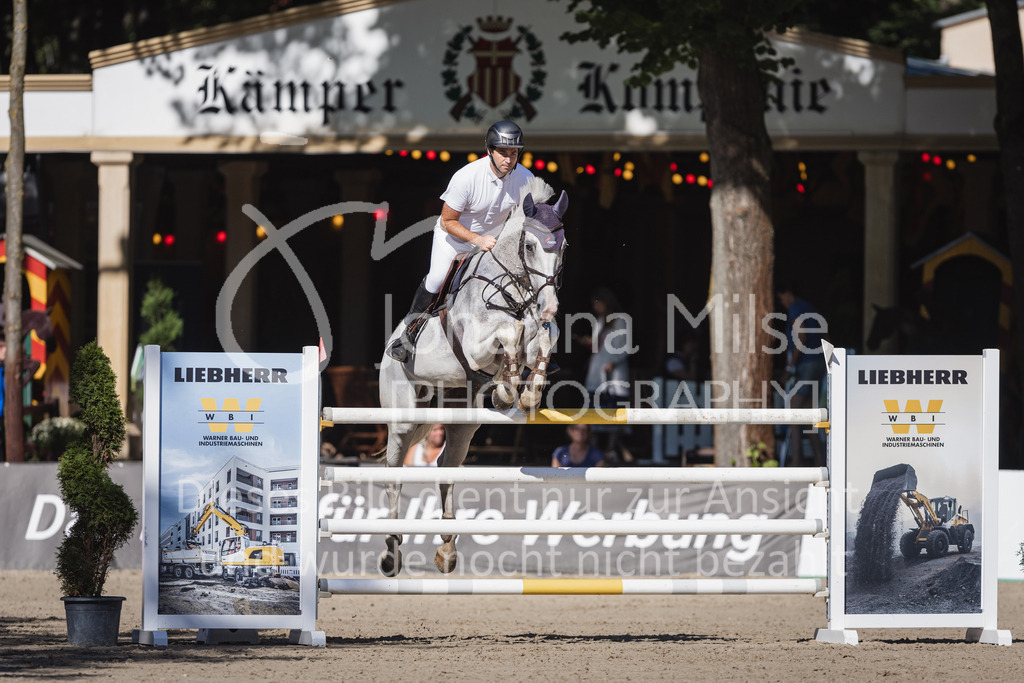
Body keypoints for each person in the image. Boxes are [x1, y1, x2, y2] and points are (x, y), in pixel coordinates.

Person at [387, 120, 536, 362]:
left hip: (493, 243)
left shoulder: (526, 178)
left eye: (513, 153)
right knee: (437, 279)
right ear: (489, 150)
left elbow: (529, 219)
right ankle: (408, 334)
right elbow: (448, 221)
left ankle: (536, 340)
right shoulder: (466, 177)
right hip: (454, 239)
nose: (508, 159)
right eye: (502, 152)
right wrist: (477, 239)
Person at [573, 287, 633, 464]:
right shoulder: (600, 321)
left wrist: (614, 361)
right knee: (594, 411)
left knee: (614, 412)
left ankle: (611, 449)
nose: (595, 308)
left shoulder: (621, 320)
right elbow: (597, 346)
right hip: (597, 371)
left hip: (613, 372)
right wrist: (588, 342)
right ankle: (595, 451)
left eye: (597, 304)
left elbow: (626, 346)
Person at [776, 279, 826, 467]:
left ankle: (796, 460)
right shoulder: (811, 308)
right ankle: (820, 461)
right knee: (809, 416)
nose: (782, 302)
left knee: (793, 410)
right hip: (819, 363)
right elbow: (826, 337)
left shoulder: (796, 308)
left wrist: (789, 367)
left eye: (781, 298)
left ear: (787, 293)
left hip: (807, 364)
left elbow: (802, 336)